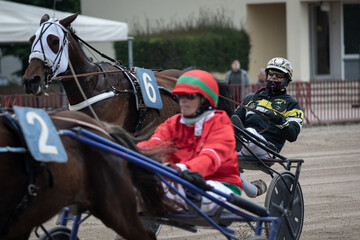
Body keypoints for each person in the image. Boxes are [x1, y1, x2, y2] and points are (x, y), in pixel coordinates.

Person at [137, 70, 242, 215]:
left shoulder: (221, 123)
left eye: (190, 96)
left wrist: (179, 169)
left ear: (205, 99)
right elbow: (154, 145)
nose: (183, 101)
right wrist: (128, 151)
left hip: (220, 187)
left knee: (185, 191)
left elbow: (210, 158)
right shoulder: (173, 123)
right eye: (180, 96)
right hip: (182, 182)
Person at [234, 57, 304, 198]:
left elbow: (293, 135)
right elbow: (235, 120)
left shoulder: (292, 105)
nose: (273, 76)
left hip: (268, 150)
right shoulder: (250, 98)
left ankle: (236, 143)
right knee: (218, 154)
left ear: (286, 80)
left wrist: (279, 119)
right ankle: (253, 190)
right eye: (271, 73)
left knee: (248, 132)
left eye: (278, 75)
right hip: (245, 146)